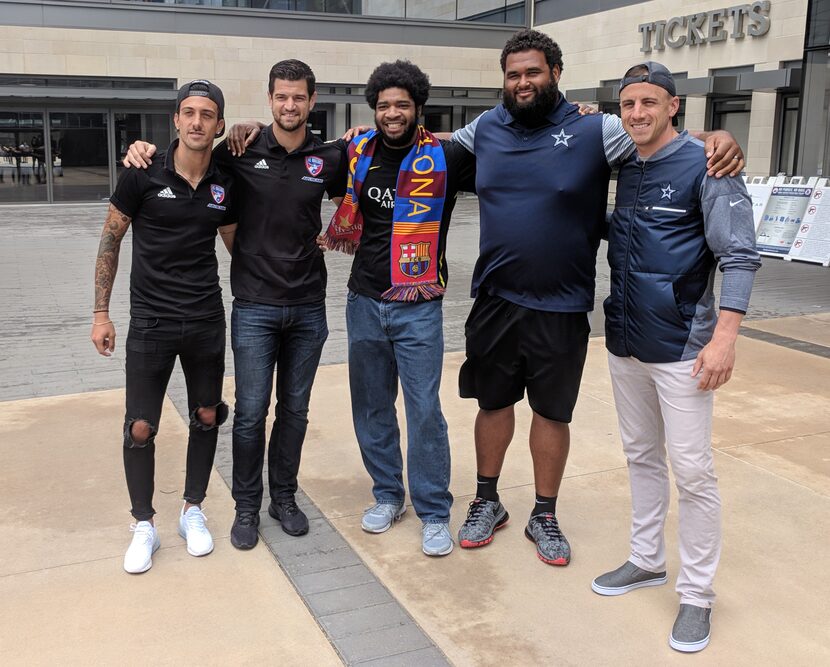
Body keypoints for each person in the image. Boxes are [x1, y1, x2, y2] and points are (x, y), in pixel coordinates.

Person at [450, 29, 745, 567]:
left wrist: (716, 138)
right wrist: (358, 136)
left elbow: (658, 134)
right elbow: (423, 148)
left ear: (555, 74)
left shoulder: (597, 129)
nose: (522, 82)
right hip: (493, 298)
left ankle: (544, 512)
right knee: (492, 404)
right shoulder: (485, 128)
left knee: (550, 412)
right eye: (513, 73)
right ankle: (486, 501)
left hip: (563, 303)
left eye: (532, 72)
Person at [124, 60, 348, 550]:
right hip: (253, 307)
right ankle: (247, 507)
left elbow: (363, 193)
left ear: (312, 102)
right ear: (269, 100)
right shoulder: (238, 151)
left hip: (309, 307)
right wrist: (141, 150)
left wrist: (341, 233)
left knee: (295, 411)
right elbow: (190, 150)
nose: (290, 106)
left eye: (300, 98)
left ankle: (283, 498)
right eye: (281, 97)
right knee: (249, 413)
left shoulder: (331, 157)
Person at [590, 61, 760, 653]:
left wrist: (725, 338)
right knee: (640, 455)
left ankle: (697, 596)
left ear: (673, 106)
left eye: (649, 103)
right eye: (627, 104)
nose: (637, 113)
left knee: (692, 472)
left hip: (685, 348)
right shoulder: (626, 166)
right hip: (626, 340)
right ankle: (645, 560)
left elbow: (739, 255)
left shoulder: (709, 165)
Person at [322, 61, 475, 556]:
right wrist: (244, 129)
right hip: (364, 300)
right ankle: (388, 495)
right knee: (371, 406)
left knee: (425, 411)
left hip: (420, 306)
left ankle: (433, 511)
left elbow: (513, 140)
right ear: (374, 108)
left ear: (418, 109)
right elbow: (292, 147)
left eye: (402, 105)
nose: (392, 113)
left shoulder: (446, 157)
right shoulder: (355, 152)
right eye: (384, 105)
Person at [92, 80, 235, 573]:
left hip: (204, 321)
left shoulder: (225, 180)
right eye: (189, 112)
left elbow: (239, 247)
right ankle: (144, 524)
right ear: (176, 119)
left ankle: (192, 510)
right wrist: (100, 314)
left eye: (208, 114)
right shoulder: (141, 171)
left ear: (218, 125)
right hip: (151, 322)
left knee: (208, 416)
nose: (197, 122)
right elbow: (110, 241)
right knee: (140, 426)